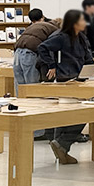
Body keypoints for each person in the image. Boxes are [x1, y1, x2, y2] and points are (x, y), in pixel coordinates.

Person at [37, 9, 94, 164]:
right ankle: (61, 145)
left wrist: (93, 71)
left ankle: (61, 146)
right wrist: (52, 65)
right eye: (82, 20)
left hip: (80, 80)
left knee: (81, 114)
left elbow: (88, 58)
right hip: (66, 80)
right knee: (74, 114)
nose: (85, 23)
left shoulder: (81, 37)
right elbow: (42, 48)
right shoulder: (61, 37)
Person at [13, 9, 59, 139]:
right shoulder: (55, 29)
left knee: (21, 92)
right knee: (33, 92)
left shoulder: (34, 26)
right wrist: (52, 66)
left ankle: (20, 127)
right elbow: (48, 48)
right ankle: (37, 132)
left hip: (17, 53)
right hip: (29, 54)